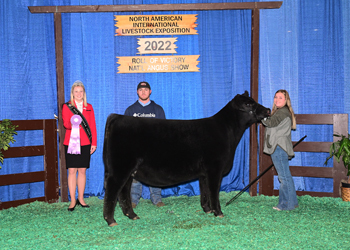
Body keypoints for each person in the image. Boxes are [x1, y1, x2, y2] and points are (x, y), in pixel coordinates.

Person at [124, 81, 165, 208]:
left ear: (150, 91)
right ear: (137, 92)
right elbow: (126, 131)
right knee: (136, 174)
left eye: (146, 89)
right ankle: (133, 200)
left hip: (154, 149)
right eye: (141, 90)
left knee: (155, 173)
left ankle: (157, 199)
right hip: (137, 150)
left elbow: (164, 130)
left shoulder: (158, 110)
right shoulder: (130, 110)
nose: (143, 92)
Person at [62, 80, 97, 211]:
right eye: (76, 91)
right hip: (71, 142)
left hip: (86, 142)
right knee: (72, 171)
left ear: (84, 93)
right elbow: (65, 124)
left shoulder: (89, 107)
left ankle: (81, 199)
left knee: (82, 170)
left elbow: (92, 126)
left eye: (81, 91)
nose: (78, 94)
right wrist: (73, 124)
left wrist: (94, 143)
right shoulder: (67, 106)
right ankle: (72, 200)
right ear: (72, 93)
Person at [261, 89, 298, 211]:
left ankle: (285, 205)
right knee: (286, 176)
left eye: (280, 97)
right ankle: (292, 202)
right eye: (275, 97)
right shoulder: (282, 111)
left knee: (283, 177)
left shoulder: (282, 112)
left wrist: (260, 115)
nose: (277, 99)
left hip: (279, 147)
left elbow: (270, 123)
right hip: (280, 147)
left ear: (286, 100)